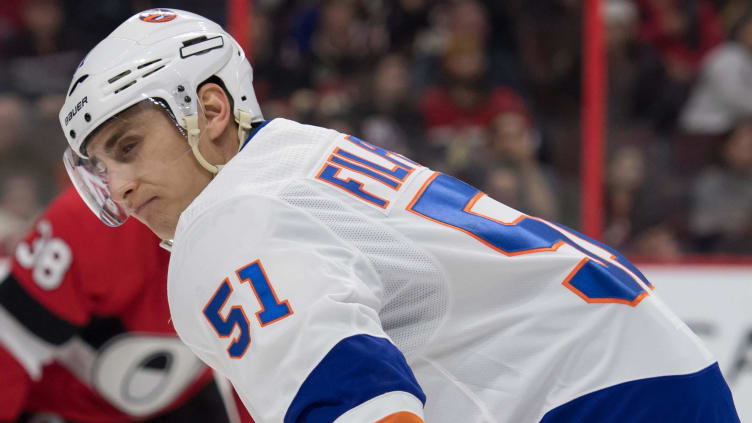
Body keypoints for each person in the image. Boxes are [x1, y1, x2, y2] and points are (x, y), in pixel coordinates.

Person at [58, 9, 739, 423]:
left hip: (584, 400)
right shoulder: (295, 157)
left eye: (127, 147)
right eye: (103, 165)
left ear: (207, 113)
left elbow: (362, 406)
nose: (119, 185)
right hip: (649, 375)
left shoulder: (231, 218)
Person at [0, 186, 252, 423]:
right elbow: (9, 351)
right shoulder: (90, 222)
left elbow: (262, 374)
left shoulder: (260, 220)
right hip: (62, 409)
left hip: (180, 398)